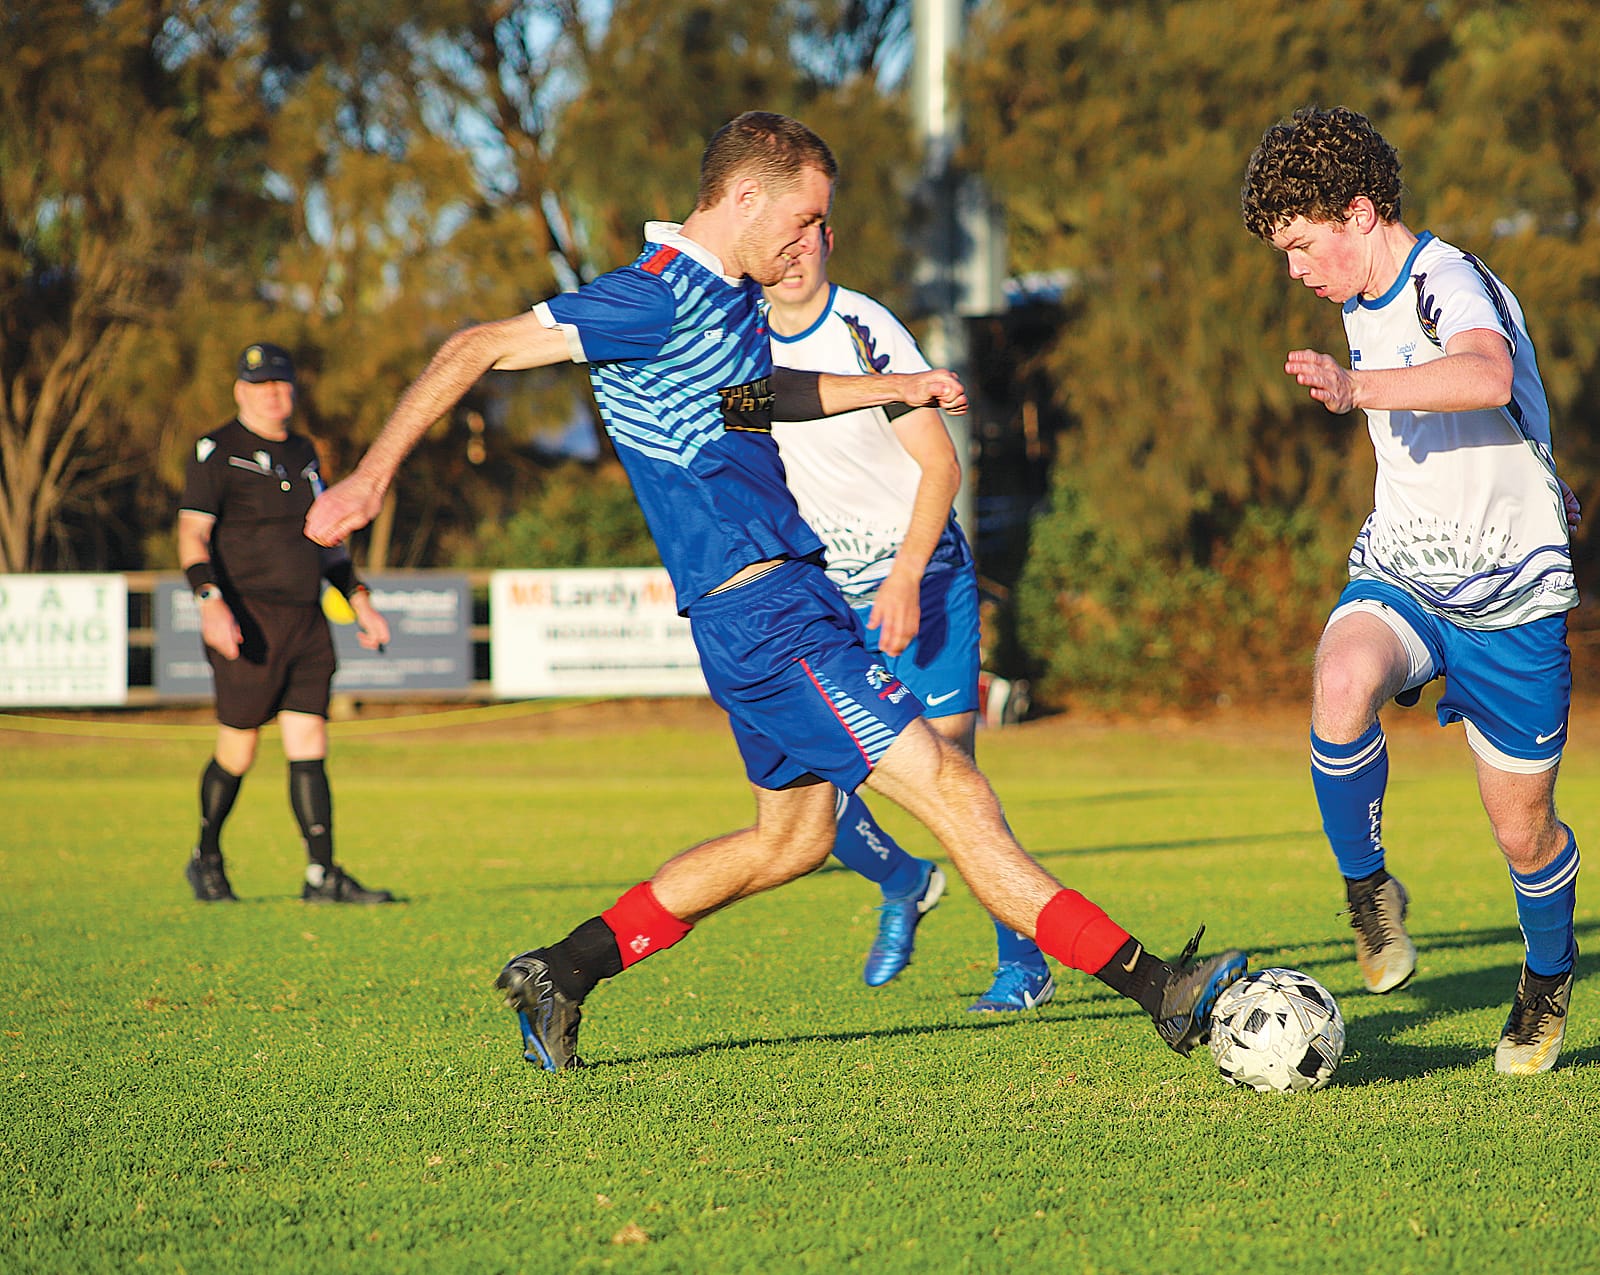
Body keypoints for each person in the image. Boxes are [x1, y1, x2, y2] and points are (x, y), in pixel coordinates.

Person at [305, 111, 1244, 1070]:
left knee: (789, 840)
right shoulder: (651, 298)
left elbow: (754, 400)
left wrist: (896, 389)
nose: (810, 243)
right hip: (769, 616)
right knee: (953, 789)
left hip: (775, 606)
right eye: (801, 219)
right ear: (744, 197)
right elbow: (475, 346)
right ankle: (1157, 987)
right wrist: (372, 476)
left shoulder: (732, 300)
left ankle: (565, 968)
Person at [1240, 106, 1584, 1075]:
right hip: (1403, 568)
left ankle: (1545, 977)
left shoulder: (1444, 276)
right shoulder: (1357, 297)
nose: (1296, 269)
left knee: (1520, 834)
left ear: (1357, 212)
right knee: (1340, 684)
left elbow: (1482, 374)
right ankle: (1370, 896)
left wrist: (1356, 391)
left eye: (1303, 245)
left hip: (1510, 595)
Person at [765, 221, 1054, 1011]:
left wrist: (902, 578)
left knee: (950, 776)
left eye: (807, 235)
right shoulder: (738, 340)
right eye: (778, 240)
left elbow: (941, 464)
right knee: (817, 782)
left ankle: (1022, 957)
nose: (793, 256)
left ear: (829, 237)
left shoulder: (865, 328)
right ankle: (903, 879)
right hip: (826, 598)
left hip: (922, 580)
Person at [179, 341, 396, 905]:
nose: (274, 394)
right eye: (260, 385)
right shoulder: (216, 450)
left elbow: (329, 543)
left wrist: (361, 602)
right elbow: (192, 536)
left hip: (306, 620)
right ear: (239, 391)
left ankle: (321, 876)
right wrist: (210, 600)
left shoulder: (304, 452)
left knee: (309, 740)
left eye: (281, 383)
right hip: (247, 619)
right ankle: (206, 858)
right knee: (240, 749)